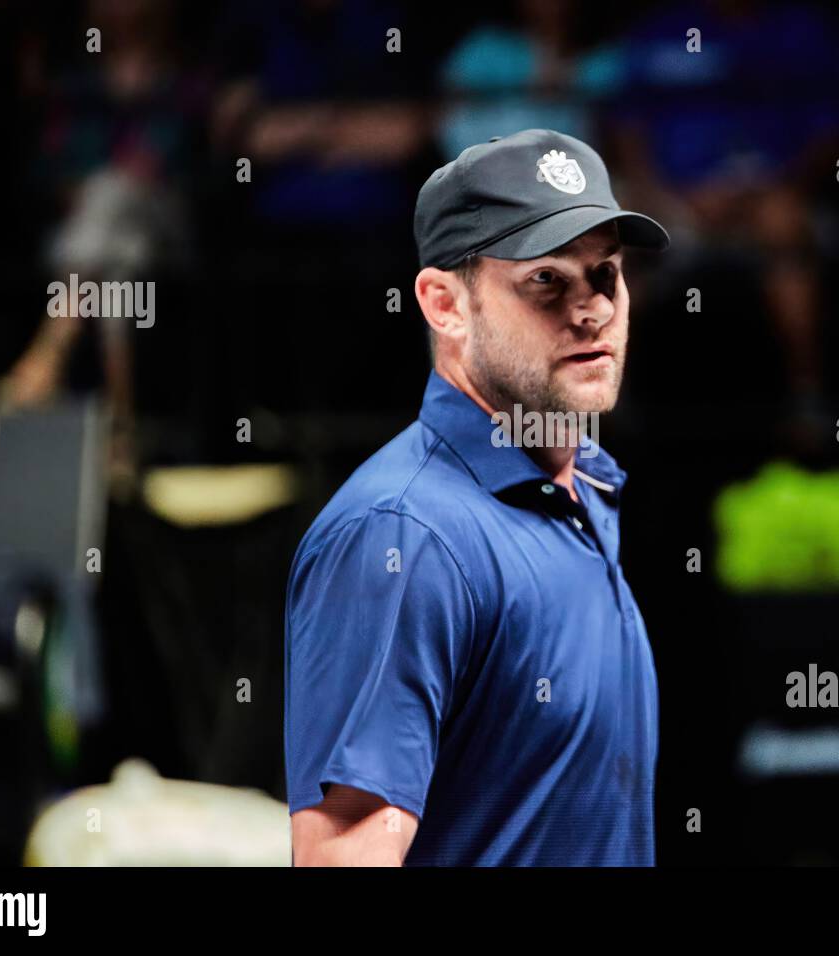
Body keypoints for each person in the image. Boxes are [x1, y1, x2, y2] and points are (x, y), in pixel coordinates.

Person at [284, 129, 668, 865]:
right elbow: (345, 854)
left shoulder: (582, 482)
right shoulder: (401, 535)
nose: (591, 310)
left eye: (606, 276)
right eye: (547, 281)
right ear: (444, 304)